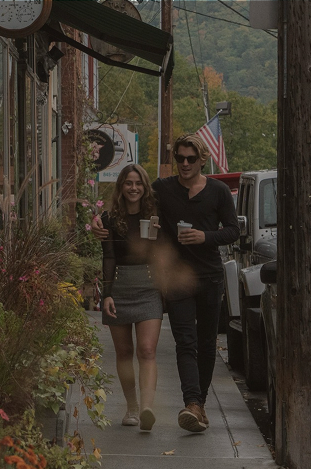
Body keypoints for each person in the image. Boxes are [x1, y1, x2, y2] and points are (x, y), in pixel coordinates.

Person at [92, 135, 239, 433]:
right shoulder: (163, 188)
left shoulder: (219, 191)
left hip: (210, 276)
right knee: (185, 341)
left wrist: (205, 237)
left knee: (207, 342)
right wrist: (99, 221)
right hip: (175, 279)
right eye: (180, 158)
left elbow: (234, 230)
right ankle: (191, 404)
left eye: (190, 159)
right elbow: (132, 200)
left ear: (202, 160)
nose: (184, 164)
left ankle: (200, 404)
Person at [98, 164, 165, 431]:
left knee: (147, 350)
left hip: (148, 287)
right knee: (124, 352)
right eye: (128, 183)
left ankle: (148, 409)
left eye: (138, 183)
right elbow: (109, 257)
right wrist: (107, 294)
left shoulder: (157, 216)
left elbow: (163, 254)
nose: (134, 188)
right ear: (121, 187)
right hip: (120, 288)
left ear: (145, 186)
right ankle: (132, 408)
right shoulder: (109, 218)